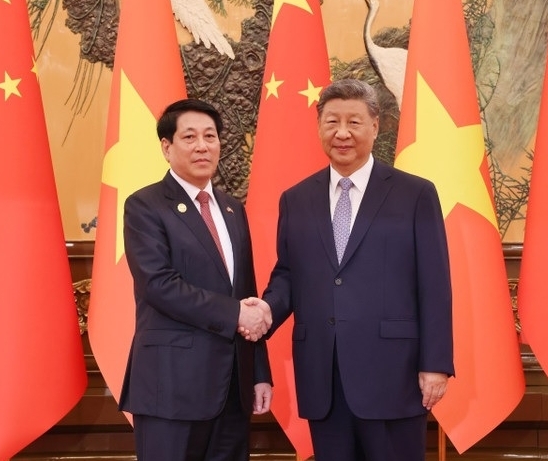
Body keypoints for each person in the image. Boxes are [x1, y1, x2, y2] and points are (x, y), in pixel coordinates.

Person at [255, 78, 454, 460]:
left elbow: (435, 284)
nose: (342, 133)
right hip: (323, 376)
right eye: (331, 122)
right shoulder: (296, 199)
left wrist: (436, 364)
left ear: (375, 126)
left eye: (354, 122)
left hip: (394, 374)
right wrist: (266, 310)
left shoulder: (415, 194)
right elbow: (288, 274)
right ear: (319, 128)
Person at [118, 98, 273, 461]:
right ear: (166, 147)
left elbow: (246, 295)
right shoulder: (145, 206)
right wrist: (235, 314)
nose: (203, 146)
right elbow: (159, 284)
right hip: (171, 387)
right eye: (190, 137)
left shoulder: (234, 209)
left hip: (233, 387)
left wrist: (259, 372)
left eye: (210, 136)